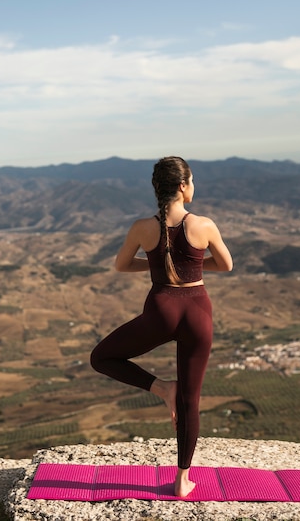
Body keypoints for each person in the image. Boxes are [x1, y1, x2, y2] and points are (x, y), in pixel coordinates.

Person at [90, 156, 233, 497]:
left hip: (160, 309)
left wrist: (159, 267)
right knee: (191, 398)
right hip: (198, 311)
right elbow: (226, 264)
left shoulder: (142, 227)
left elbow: (122, 265)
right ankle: (182, 480)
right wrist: (192, 265)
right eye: (192, 181)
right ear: (183, 186)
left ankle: (160, 388)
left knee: (102, 357)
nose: (194, 187)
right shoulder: (204, 225)